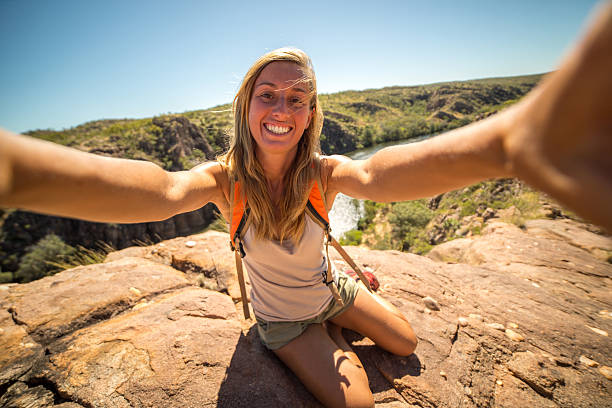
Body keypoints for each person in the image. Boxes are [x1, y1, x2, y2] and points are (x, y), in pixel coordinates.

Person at [1, 4, 611, 407]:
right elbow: (158, 191)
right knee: (360, 404)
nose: (282, 109)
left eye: (298, 98)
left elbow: (379, 171)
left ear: (311, 113)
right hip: (283, 319)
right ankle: (316, 335)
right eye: (267, 95)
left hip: (330, 290)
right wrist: (18, 171)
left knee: (405, 344)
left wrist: (509, 144)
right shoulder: (224, 181)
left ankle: (339, 309)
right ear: (246, 106)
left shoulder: (324, 174)